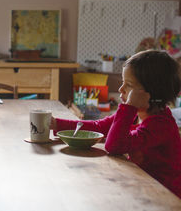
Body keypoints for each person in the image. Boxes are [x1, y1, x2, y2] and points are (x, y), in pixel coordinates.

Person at [51, 49, 181, 198]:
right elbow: (98, 127)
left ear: (151, 92)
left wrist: (128, 108)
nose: (120, 89)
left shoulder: (160, 125)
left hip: (165, 198)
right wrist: (57, 124)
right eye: (122, 83)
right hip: (142, 186)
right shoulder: (134, 114)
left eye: (129, 85)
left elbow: (114, 146)